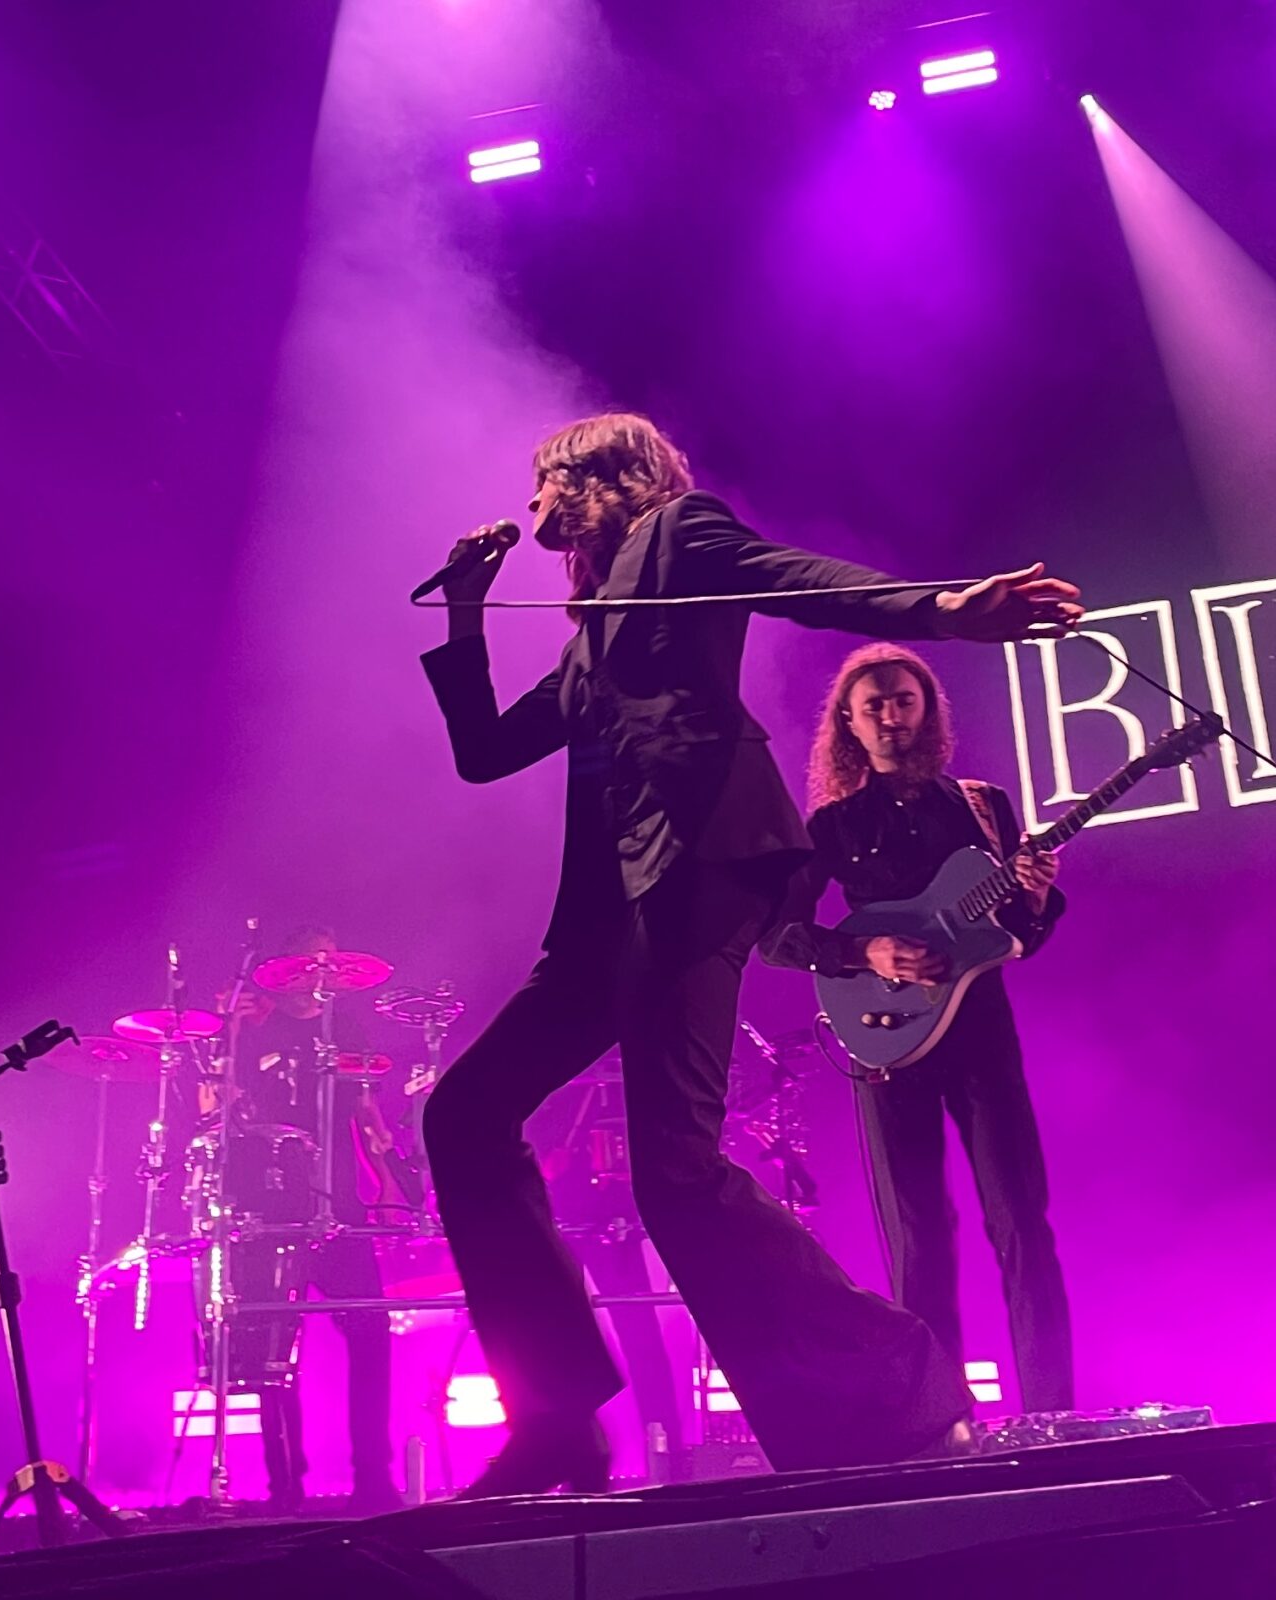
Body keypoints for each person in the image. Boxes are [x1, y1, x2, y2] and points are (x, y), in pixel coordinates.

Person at [418, 413, 1080, 1494]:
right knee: (465, 1113)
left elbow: (802, 579)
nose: (529, 506)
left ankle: (899, 1380)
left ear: (593, 480)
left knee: (672, 1176)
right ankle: (556, 1422)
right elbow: (484, 751)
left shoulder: (681, 533)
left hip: (695, 876)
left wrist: (953, 608)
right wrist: (462, 607)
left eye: (544, 485)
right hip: (603, 914)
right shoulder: (591, 630)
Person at [761, 644, 1075, 1413]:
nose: (891, 717)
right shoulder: (832, 825)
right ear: (849, 725)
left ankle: (1053, 1412)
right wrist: (862, 948)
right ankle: (943, 1419)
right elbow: (775, 933)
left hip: (982, 1036)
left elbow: (1018, 937)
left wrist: (1033, 899)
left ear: (928, 711)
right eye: (873, 707)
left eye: (904, 701)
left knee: (1022, 1222)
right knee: (919, 1235)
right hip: (886, 1039)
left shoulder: (981, 807)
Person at [219, 926, 408, 1512]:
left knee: (371, 1336)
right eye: (312, 958)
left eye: (332, 957)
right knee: (276, 1353)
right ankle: (285, 1487)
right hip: (271, 1210)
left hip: (340, 1209)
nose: (323, 968)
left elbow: (367, 1110)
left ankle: (374, 1480)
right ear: (287, 966)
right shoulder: (257, 1027)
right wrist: (228, 1028)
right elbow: (219, 1100)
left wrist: (393, 1180)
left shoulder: (346, 1028)